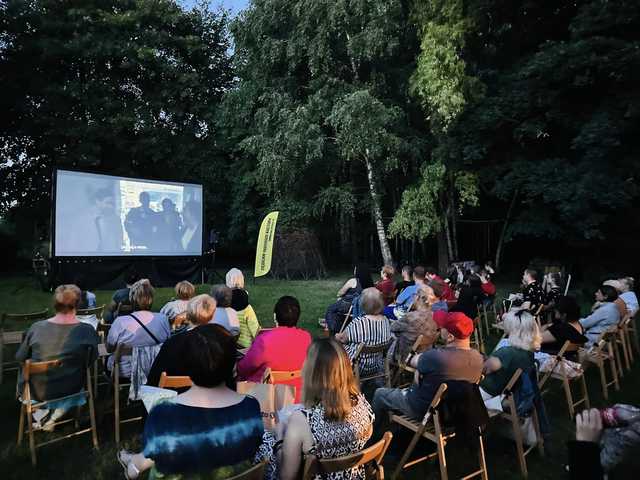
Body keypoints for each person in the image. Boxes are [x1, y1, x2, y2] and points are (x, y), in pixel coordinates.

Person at [118, 325, 274, 479]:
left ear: (187, 364)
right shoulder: (251, 407)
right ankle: (132, 462)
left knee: (137, 468)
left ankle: (132, 463)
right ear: (232, 363)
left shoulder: (163, 413)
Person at [278, 338, 374, 480]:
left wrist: (279, 440)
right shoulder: (361, 403)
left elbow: (287, 476)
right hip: (355, 476)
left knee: (269, 444)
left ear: (313, 374)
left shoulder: (302, 420)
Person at [372, 311, 483, 423]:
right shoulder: (478, 359)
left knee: (379, 394)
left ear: (450, 336)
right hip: (455, 414)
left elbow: (411, 361)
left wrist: (419, 371)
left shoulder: (437, 357)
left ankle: (373, 434)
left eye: (443, 328)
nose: (439, 329)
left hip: (423, 410)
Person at [16, 285, 99, 431]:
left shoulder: (36, 327)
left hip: (38, 392)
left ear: (55, 304)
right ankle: (53, 414)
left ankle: (42, 413)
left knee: (24, 367)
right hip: (72, 387)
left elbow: (20, 357)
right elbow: (91, 361)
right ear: (78, 304)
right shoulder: (87, 330)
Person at [238, 296, 311, 402]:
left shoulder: (264, 341)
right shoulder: (306, 338)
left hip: (266, 399)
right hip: (298, 397)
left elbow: (244, 368)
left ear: (275, 316)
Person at [146, 294, 216, 387]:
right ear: (212, 315)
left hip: (180, 395)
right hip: (215, 395)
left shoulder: (173, 343)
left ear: (189, 315)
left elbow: (154, 379)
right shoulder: (222, 340)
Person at [106, 279, 171, 378]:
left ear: (132, 299)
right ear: (151, 299)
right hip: (155, 366)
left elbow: (110, 348)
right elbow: (167, 344)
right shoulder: (163, 319)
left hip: (126, 370)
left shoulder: (120, 321)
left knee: (107, 359)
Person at [480, 308, 540, 402]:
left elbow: (483, 369)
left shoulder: (507, 353)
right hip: (507, 392)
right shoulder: (529, 353)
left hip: (486, 393)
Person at [335, 288, 391, 380]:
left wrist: (336, 336)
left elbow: (342, 339)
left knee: (335, 345)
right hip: (377, 365)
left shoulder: (359, 323)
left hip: (358, 366)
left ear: (363, 304)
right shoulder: (386, 321)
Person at [324, 264, 373, 334]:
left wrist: (340, 297)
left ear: (357, 271)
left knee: (330, 309)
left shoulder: (353, 281)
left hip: (350, 306)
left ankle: (335, 329)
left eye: (355, 269)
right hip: (364, 307)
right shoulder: (370, 283)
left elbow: (340, 293)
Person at [541, 296, 587, 362]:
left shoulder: (562, 329)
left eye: (556, 310)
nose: (554, 311)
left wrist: (546, 326)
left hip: (551, 360)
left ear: (564, 314)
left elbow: (536, 339)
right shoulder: (579, 326)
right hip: (567, 359)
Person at [225, 268, 260, 347]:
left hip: (228, 347)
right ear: (242, 281)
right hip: (245, 348)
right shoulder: (247, 308)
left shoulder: (224, 307)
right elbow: (255, 330)